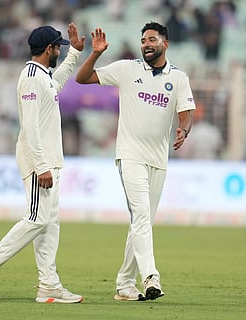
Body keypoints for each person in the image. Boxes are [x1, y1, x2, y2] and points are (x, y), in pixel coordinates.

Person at [76, 22, 195, 301]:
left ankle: (125, 285)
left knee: (142, 222)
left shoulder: (178, 77)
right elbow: (83, 79)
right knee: (141, 216)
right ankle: (151, 277)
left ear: (165, 44)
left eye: (152, 39)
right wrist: (95, 54)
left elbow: (186, 112)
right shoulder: (127, 69)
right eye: (143, 40)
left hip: (158, 160)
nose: (146, 44)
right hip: (129, 155)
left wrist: (183, 130)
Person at [0, 23, 86, 303]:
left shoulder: (43, 76)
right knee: (37, 219)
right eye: (60, 48)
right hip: (38, 161)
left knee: (49, 223)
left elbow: (56, 85)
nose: (60, 51)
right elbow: (29, 126)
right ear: (49, 49)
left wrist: (75, 55)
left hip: (50, 159)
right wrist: (41, 165)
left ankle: (48, 286)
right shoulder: (31, 77)